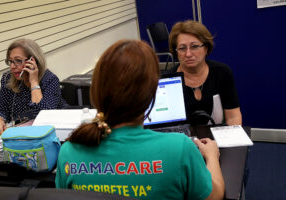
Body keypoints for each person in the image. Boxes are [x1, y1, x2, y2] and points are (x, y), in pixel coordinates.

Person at [55, 39, 224, 200]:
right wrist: (212, 157)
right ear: (151, 95)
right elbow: (213, 196)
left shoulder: (69, 151)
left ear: (96, 89)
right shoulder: (179, 148)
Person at [169, 20, 242, 125]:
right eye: (182, 48)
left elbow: (233, 117)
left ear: (206, 48)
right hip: (183, 139)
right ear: (176, 52)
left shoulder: (222, 73)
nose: (188, 54)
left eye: (194, 46)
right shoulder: (168, 79)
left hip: (216, 138)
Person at [0, 38, 67, 135]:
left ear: (32, 61)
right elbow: (2, 109)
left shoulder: (50, 79)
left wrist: (34, 83)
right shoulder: (7, 78)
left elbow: (45, 116)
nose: (12, 66)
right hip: (19, 134)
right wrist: (0, 119)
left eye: (18, 61)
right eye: (10, 61)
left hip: (48, 134)